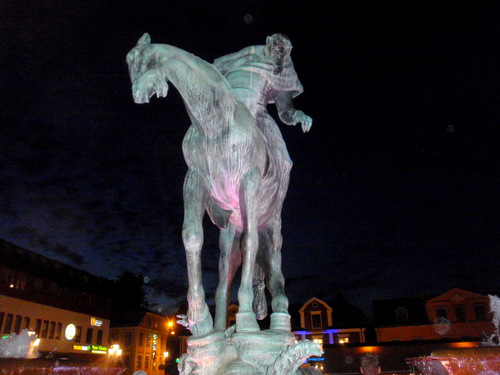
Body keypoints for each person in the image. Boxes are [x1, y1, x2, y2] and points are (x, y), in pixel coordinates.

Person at [214, 33, 313, 178]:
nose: (278, 52)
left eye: (282, 50)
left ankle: (269, 198)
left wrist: (297, 115)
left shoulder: (284, 68)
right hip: (226, 104)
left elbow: (285, 109)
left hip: (257, 110)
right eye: (276, 47)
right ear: (268, 42)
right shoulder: (250, 52)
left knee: (284, 162)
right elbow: (214, 67)